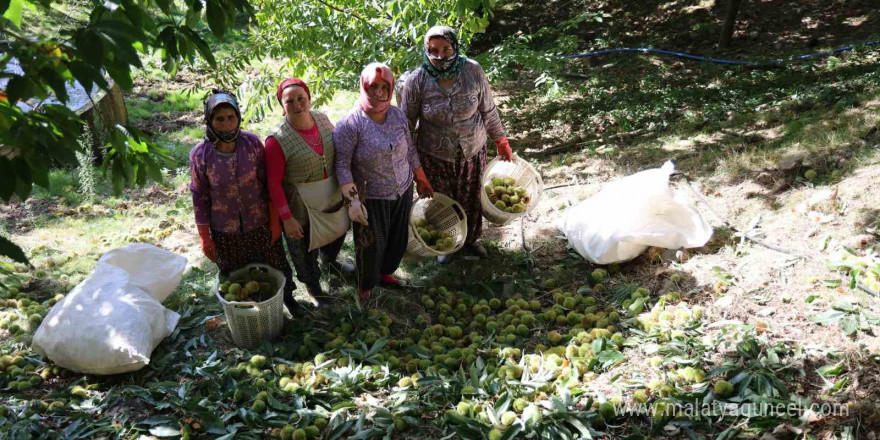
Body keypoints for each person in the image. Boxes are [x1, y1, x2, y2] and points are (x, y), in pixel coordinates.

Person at [400, 25, 514, 262]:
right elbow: (407, 128)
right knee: (442, 199)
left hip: (472, 148)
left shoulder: (472, 71)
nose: (441, 56)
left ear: (455, 47)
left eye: (446, 49)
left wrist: (501, 140)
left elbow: (488, 110)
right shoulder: (417, 81)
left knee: (471, 196)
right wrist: (414, 168)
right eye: (434, 51)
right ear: (426, 50)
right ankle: (447, 243)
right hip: (435, 153)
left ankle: (470, 241)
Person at [189, 90, 301, 313]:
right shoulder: (201, 155)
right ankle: (246, 312)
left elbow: (267, 182)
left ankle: (287, 299)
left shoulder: (251, 144)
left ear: (238, 117)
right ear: (209, 121)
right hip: (225, 229)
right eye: (219, 119)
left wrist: (275, 221)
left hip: (259, 220)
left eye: (231, 117)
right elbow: (199, 195)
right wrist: (204, 237)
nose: (226, 124)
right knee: (236, 276)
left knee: (275, 265)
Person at [334, 63, 434, 302]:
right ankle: (365, 285)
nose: (379, 93)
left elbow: (409, 149)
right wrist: (353, 201)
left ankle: (385, 273)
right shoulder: (351, 124)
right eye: (373, 87)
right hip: (372, 197)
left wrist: (421, 178)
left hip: (402, 189)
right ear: (363, 87)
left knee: (397, 240)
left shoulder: (397, 115)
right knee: (370, 246)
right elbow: (342, 165)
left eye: (384, 87)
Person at [265, 78, 353, 305]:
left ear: (309, 97)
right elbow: (273, 183)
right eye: (289, 101)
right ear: (282, 106)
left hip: (330, 192)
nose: (297, 104)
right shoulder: (277, 139)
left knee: (337, 229)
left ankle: (330, 261)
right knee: (303, 249)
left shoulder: (322, 119)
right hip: (300, 202)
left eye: (300, 98)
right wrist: (287, 218)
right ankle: (314, 288)